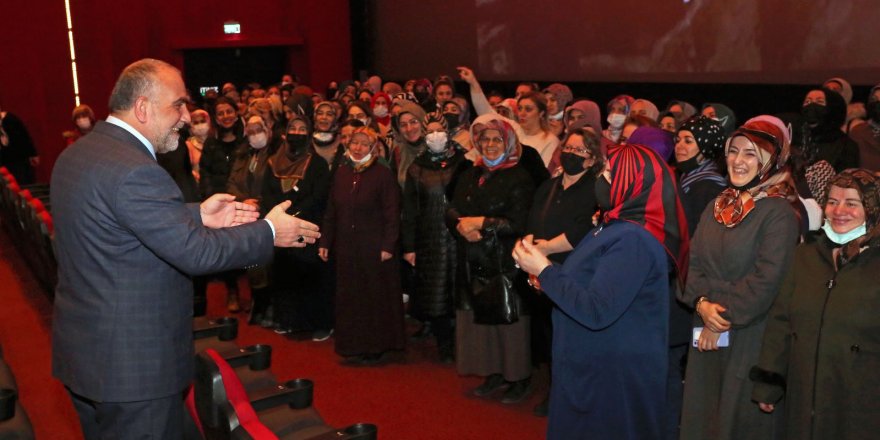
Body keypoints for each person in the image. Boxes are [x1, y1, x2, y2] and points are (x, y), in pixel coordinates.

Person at [50, 58, 319, 439]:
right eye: (177, 104)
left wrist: (195, 213)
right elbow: (197, 254)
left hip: (88, 352)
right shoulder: (136, 170)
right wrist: (269, 230)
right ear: (142, 108)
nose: (187, 116)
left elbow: (116, 221)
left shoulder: (78, 155)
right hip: (133, 369)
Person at [513, 141, 688, 440]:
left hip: (610, 375)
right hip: (592, 363)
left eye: (609, 172)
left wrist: (544, 268)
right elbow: (586, 283)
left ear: (630, 182)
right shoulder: (612, 227)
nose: (601, 178)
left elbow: (596, 310)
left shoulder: (633, 240)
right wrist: (545, 280)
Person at [678, 116, 802, 440]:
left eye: (750, 154)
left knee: (736, 424)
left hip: (749, 337)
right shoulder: (716, 206)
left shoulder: (779, 214)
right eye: (733, 151)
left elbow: (766, 283)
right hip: (708, 328)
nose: (738, 161)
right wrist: (702, 305)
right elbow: (693, 265)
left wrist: (716, 317)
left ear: (770, 160)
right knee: (702, 418)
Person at [751, 168, 880, 440]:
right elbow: (781, 323)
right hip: (805, 395)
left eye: (851, 203)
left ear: (872, 208)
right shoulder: (806, 256)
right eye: (832, 202)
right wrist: (769, 384)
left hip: (861, 400)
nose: (839, 210)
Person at [446, 114, 536, 404]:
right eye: (484, 139)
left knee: (510, 324)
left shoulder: (520, 176)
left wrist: (481, 223)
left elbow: (521, 222)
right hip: (473, 259)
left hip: (505, 264)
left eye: (497, 139)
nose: (490, 145)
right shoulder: (470, 173)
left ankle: (518, 379)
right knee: (480, 323)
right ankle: (493, 373)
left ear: (509, 142)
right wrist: (461, 225)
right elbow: (451, 208)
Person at [523, 127, 603, 417]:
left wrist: (545, 249)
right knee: (547, 335)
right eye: (568, 148)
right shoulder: (549, 185)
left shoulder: (596, 189)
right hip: (540, 272)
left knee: (570, 339)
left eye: (579, 151)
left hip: (574, 273)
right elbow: (532, 218)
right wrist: (532, 248)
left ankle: (569, 396)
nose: (571, 154)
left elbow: (586, 228)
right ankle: (554, 388)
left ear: (592, 158)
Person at [318, 126, 405, 365]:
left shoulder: (382, 174)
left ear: (373, 148)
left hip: (374, 247)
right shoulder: (342, 172)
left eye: (364, 144)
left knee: (374, 296)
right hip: (346, 246)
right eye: (354, 143)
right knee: (350, 296)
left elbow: (391, 213)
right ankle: (351, 345)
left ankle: (376, 345)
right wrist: (326, 240)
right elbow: (331, 210)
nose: (358, 148)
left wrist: (388, 244)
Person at [401, 111, 470, 363]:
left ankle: (463, 342)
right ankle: (444, 344)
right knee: (436, 292)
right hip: (429, 238)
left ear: (449, 134)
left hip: (459, 236)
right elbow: (409, 211)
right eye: (429, 132)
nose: (434, 136)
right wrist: (409, 246)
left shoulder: (463, 163)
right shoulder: (417, 168)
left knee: (460, 290)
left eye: (439, 130)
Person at [262, 114, 332, 336]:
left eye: (303, 129)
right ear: (285, 133)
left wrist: (293, 217)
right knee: (284, 276)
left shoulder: (318, 163)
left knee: (310, 277)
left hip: (307, 227)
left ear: (309, 134)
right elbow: (267, 194)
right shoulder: (273, 162)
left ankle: (316, 324)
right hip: (279, 229)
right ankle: (287, 320)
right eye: (293, 128)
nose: (297, 133)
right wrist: (279, 217)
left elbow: (318, 196)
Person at [0, 102, 39, 184]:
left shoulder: (10, 119)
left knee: (23, 181)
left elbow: (24, 137)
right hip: (5, 162)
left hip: (19, 159)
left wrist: (33, 154)